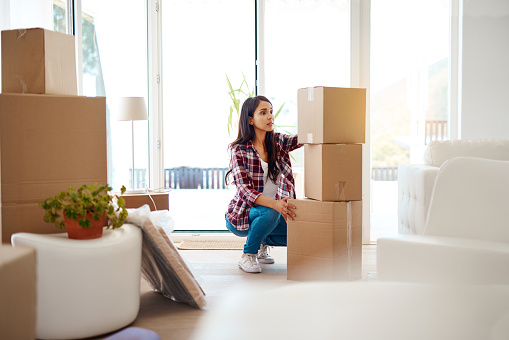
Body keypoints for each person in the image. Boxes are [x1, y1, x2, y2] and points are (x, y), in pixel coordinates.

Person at [225, 95, 303, 273]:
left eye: (271, 112)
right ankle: (248, 255)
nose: (270, 116)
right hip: (244, 213)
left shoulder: (278, 142)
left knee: (301, 232)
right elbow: (245, 191)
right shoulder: (239, 150)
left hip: (274, 212)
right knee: (270, 212)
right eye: (263, 112)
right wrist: (276, 204)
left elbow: (304, 138)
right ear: (250, 119)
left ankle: (262, 241)